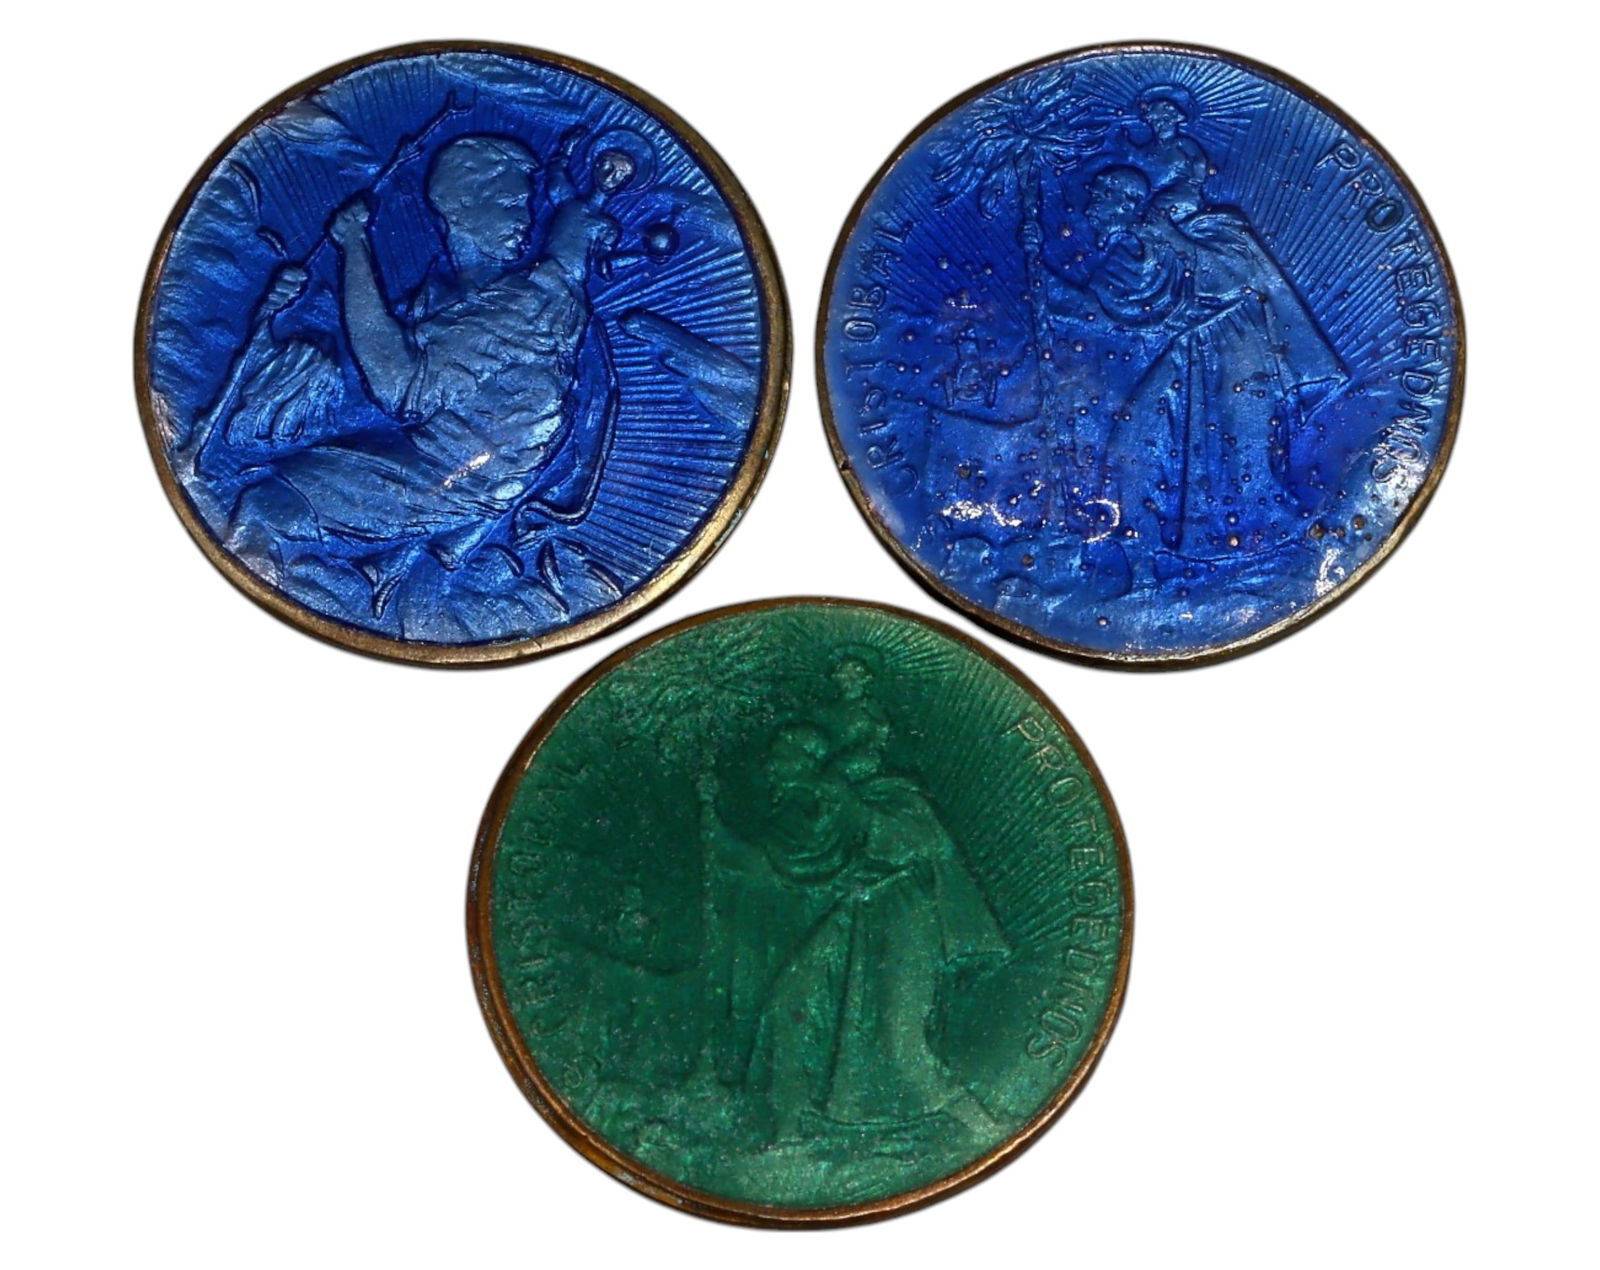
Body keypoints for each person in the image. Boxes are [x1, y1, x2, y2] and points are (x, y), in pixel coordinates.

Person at [215, 133, 622, 614]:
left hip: (457, 476)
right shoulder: (449, 297)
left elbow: (400, 387)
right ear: (461, 206)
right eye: (511, 204)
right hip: (438, 461)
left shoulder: (528, 301)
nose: (526, 219)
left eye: (527, 205)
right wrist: (271, 316)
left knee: (262, 508)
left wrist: (355, 249)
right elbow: (355, 384)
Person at [1048, 165, 1345, 558]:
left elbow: (1236, 278)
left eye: (1099, 197)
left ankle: (1267, 546)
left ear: (1127, 202)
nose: (1089, 208)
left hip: (1241, 353)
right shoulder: (1127, 259)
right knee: (1138, 434)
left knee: (1241, 460)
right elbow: (1096, 312)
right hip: (1187, 357)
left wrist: (1172, 238)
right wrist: (1043, 283)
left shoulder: (1213, 228)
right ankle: (1161, 545)